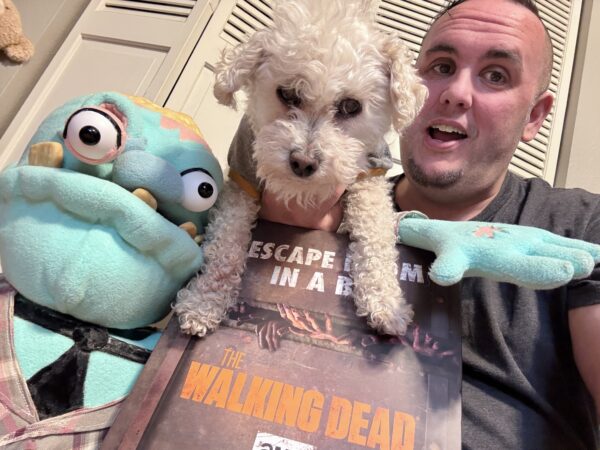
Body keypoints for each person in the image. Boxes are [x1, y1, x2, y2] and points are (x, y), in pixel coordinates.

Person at [393, 0, 600, 448]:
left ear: (534, 116)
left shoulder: (582, 227)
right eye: (441, 66)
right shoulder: (329, 207)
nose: (456, 93)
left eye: (496, 75)